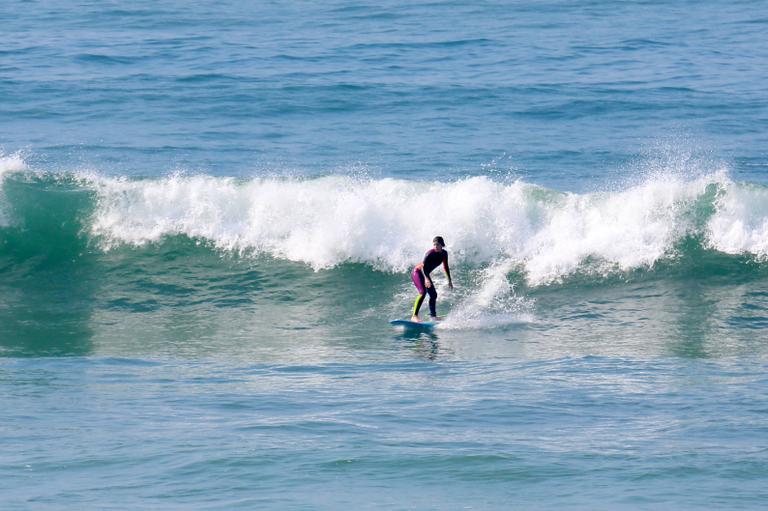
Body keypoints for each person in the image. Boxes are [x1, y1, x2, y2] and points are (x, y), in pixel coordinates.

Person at [411, 236, 453, 322]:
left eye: (437, 245)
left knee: (433, 295)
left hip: (425, 274)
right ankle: (414, 316)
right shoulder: (429, 254)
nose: (435, 247)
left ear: (442, 245)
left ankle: (433, 316)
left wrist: (449, 280)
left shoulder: (444, 254)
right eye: (434, 245)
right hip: (418, 273)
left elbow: (445, 267)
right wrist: (426, 279)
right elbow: (423, 268)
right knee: (423, 292)